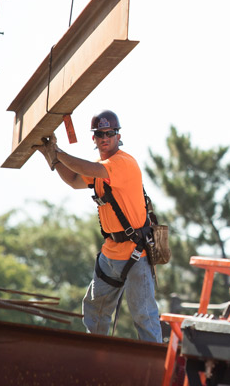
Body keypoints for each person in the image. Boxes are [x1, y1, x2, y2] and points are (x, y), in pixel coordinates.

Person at [34, 110, 161, 343]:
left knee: (144, 316)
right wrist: (51, 157)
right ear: (94, 138)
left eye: (109, 133)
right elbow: (74, 180)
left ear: (118, 135)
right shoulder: (99, 167)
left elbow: (88, 171)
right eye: (100, 134)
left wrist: (58, 151)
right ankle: (96, 356)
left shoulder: (123, 163)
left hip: (136, 253)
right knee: (94, 311)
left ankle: (154, 366)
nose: (105, 137)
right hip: (111, 254)